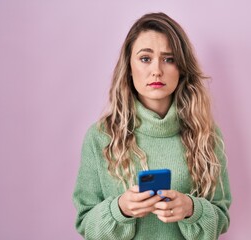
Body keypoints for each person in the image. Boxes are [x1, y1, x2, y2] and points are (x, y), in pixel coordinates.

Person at [73, 12, 231, 240]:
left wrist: (191, 209)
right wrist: (120, 209)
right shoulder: (100, 137)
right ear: (129, 66)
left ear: (182, 68)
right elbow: (85, 223)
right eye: (145, 58)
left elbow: (221, 218)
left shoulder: (207, 135)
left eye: (169, 59)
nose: (156, 70)